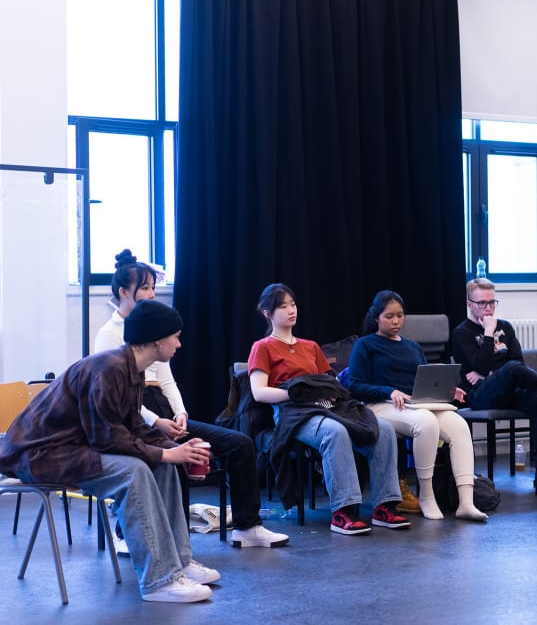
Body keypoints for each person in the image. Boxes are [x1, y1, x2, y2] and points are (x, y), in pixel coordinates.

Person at [0, 300, 221, 602]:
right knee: (134, 471)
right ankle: (159, 580)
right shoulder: (109, 368)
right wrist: (166, 453)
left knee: (163, 465)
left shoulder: (132, 370)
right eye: (176, 336)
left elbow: (134, 429)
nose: (179, 344)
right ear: (157, 339)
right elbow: (106, 437)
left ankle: (178, 563)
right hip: (41, 455)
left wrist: (176, 449)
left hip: (71, 450)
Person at [95, 249, 287, 550]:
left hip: (162, 407)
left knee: (239, 443)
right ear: (123, 292)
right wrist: (154, 420)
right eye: (144, 287)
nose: (150, 294)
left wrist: (180, 414)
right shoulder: (110, 334)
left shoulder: (155, 326)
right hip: (137, 412)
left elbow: (167, 379)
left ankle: (247, 526)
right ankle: (142, 536)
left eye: (152, 288)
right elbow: (120, 397)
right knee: (178, 455)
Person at [248, 283, 411, 535]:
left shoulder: (310, 346)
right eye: (282, 306)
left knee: (385, 429)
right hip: (294, 411)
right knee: (335, 432)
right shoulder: (263, 347)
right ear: (268, 314)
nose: (291, 310)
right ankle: (343, 511)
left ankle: (385, 505)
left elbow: (328, 381)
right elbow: (259, 392)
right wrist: (297, 394)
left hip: (327, 405)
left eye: (293, 304)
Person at [348, 290, 488, 522]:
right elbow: (355, 385)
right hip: (380, 405)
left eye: (400, 316)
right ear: (376, 318)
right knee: (426, 423)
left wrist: (448, 390)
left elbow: (422, 382)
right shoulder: (365, 345)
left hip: (415, 404)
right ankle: (427, 495)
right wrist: (389, 391)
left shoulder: (413, 347)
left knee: (459, 426)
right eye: (389, 316)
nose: (395, 321)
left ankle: (466, 502)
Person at [452, 278, 537, 492]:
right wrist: (489, 332)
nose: (489, 308)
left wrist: (491, 373)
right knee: (510, 369)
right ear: (469, 303)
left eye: (492, 302)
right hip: (479, 395)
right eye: (482, 303)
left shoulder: (506, 327)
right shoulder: (462, 333)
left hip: (510, 389)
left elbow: (518, 360)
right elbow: (480, 368)